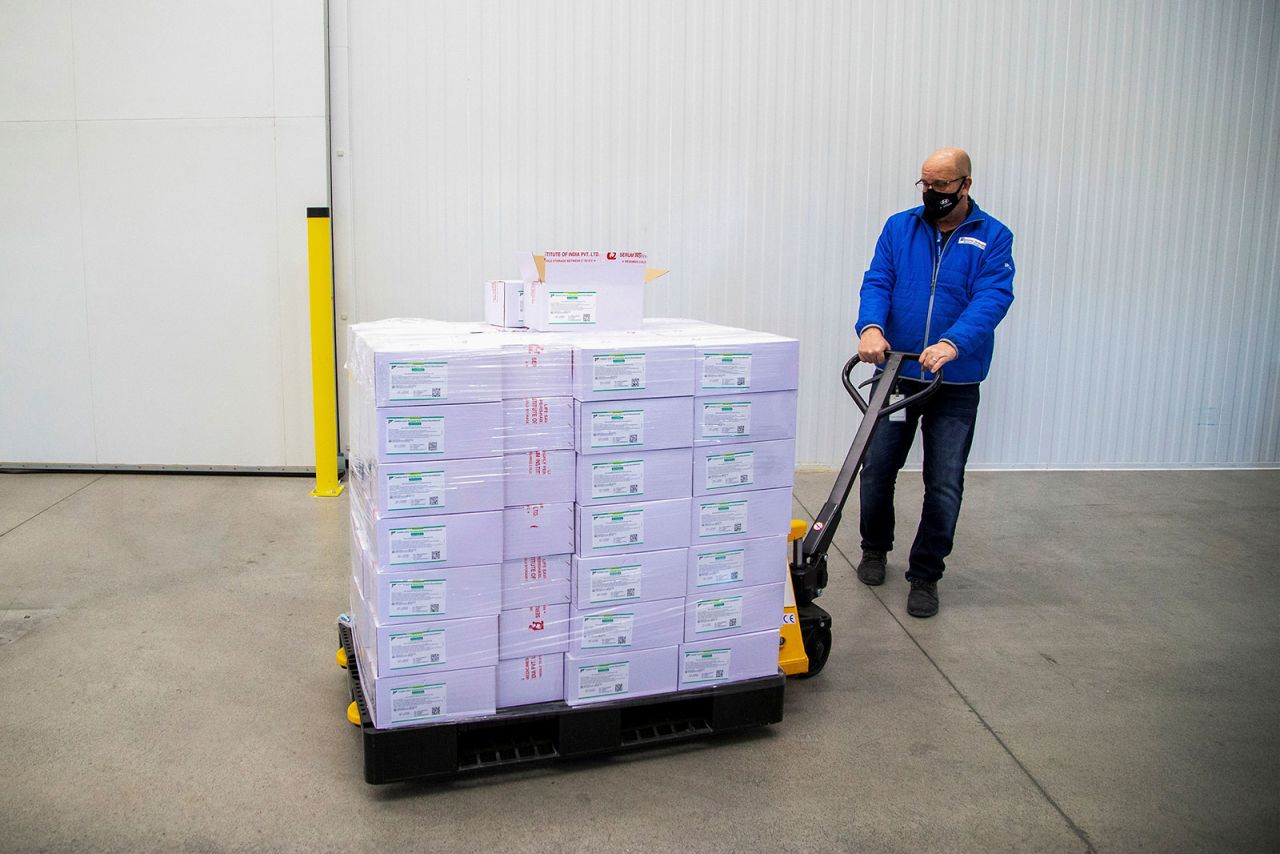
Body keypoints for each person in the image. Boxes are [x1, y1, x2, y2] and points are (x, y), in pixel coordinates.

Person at [854, 147, 1015, 618]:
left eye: (941, 185)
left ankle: (926, 574)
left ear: (965, 185)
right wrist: (870, 327)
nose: (932, 193)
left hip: (955, 381)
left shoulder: (993, 237)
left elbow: (992, 298)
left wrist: (953, 342)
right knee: (877, 469)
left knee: (943, 482)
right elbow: (878, 280)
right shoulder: (900, 227)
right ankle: (874, 547)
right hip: (898, 374)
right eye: (925, 184)